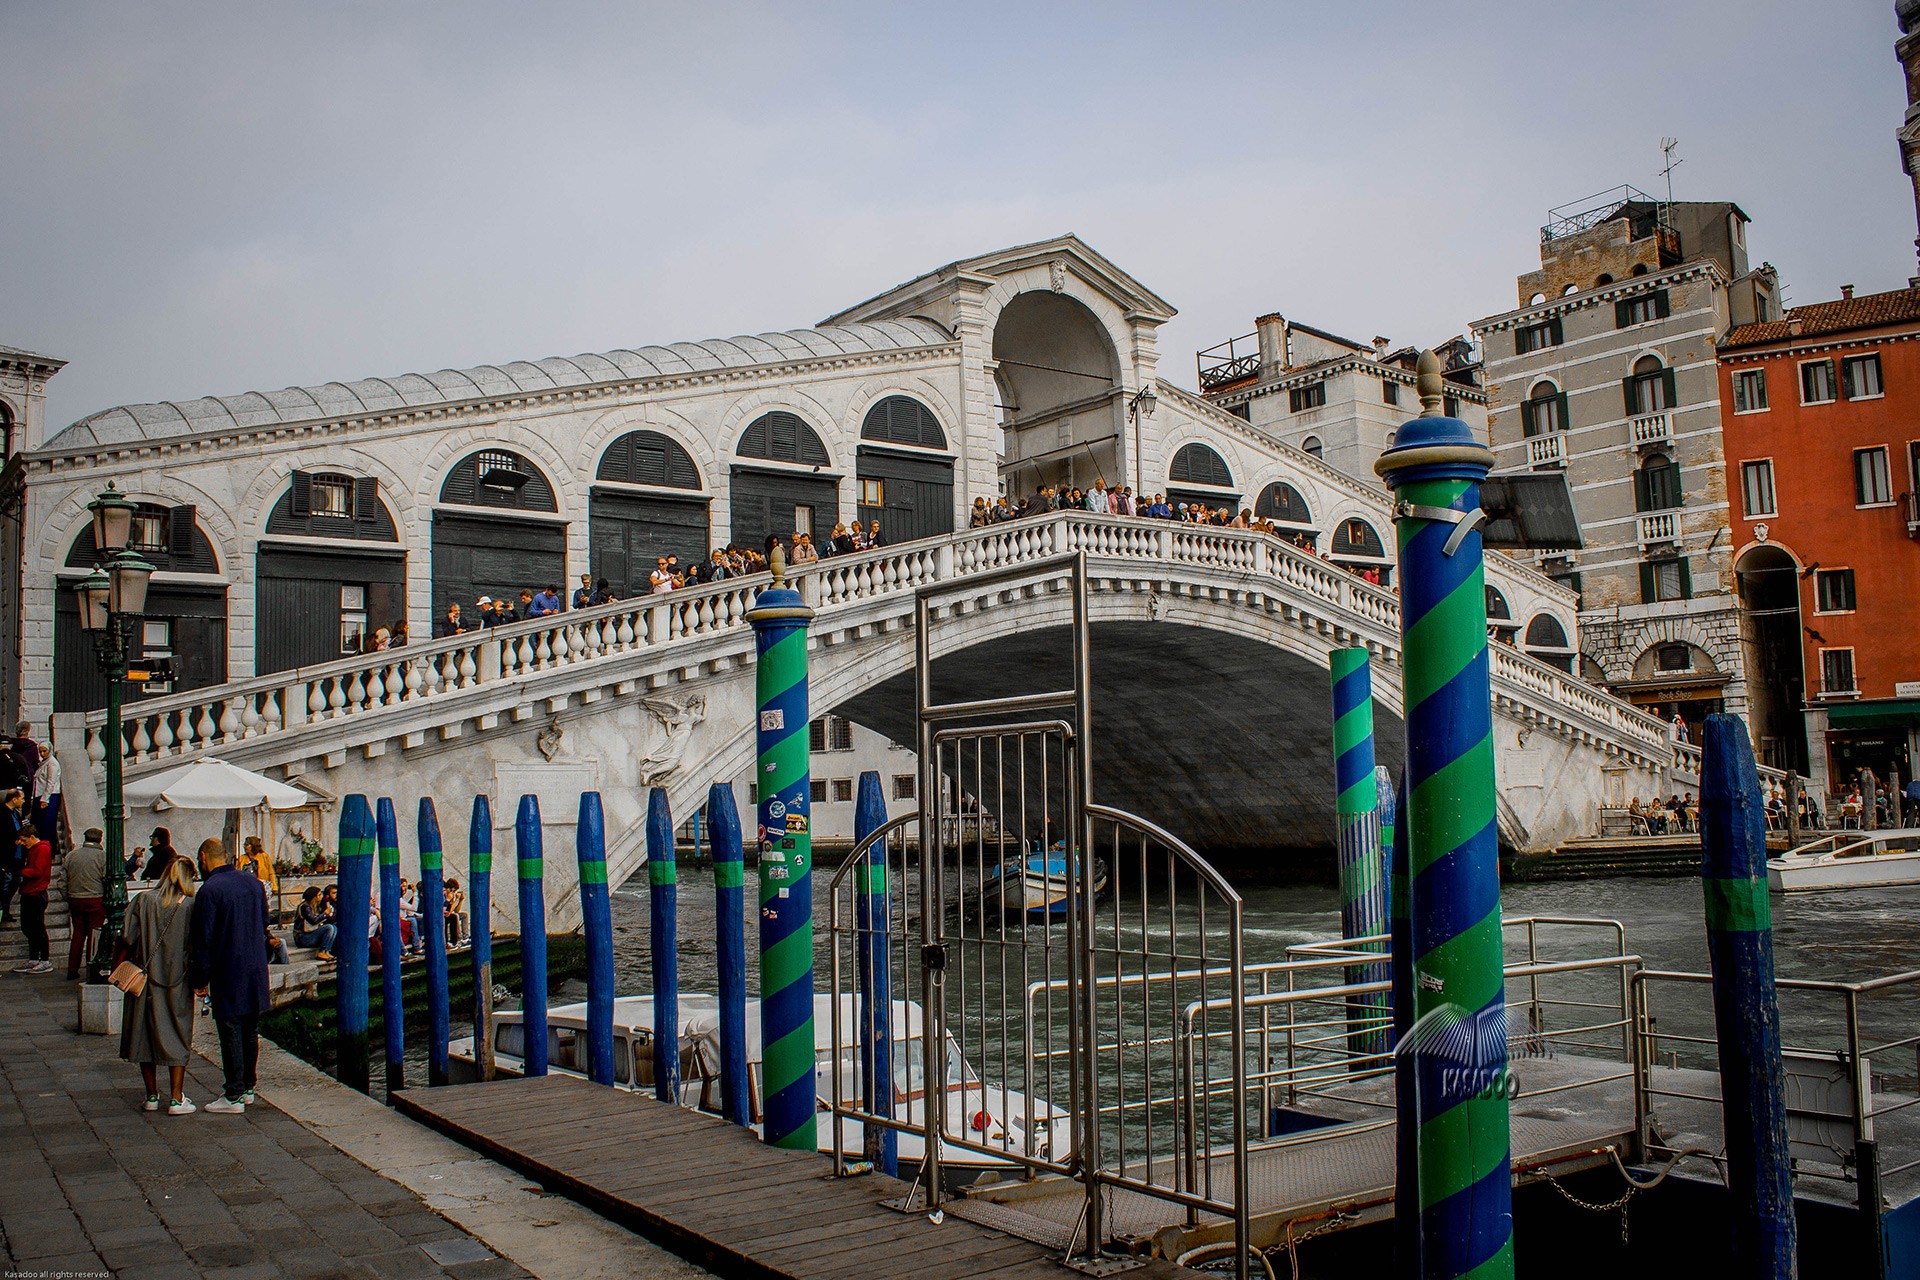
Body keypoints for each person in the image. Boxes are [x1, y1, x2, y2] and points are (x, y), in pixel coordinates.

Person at [189, 838, 272, 1113]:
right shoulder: (254, 883)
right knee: (250, 1029)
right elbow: (265, 921)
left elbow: (204, 939)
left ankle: (233, 1093)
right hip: (255, 967)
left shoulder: (209, 890)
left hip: (228, 967)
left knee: (230, 1029)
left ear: (203, 857)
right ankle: (248, 1087)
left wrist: (199, 978)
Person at [120, 856, 199, 1115]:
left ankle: (151, 1095)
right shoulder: (190, 905)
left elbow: (128, 937)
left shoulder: (143, 900)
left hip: (144, 980)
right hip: (178, 981)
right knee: (178, 1033)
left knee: (145, 1035)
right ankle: (176, 1098)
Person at [64, 827, 107, 980]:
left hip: (75, 898)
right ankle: (91, 968)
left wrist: (68, 896)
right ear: (100, 839)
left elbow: (62, 880)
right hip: (95, 898)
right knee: (93, 935)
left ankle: (72, 968)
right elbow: (106, 878)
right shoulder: (102, 856)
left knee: (78, 934)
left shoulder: (71, 855)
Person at [11, 826, 53, 973]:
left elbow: (37, 871)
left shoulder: (41, 849)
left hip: (36, 893)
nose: (23, 843)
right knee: (28, 927)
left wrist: (19, 870)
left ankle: (45, 960)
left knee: (37, 927)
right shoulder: (34, 849)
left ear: (31, 837)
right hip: (30, 892)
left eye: (24, 840)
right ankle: (34, 958)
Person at [30, 737, 59, 847]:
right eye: (40, 751)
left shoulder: (52, 764)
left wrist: (45, 799)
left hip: (49, 796)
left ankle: (48, 849)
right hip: (40, 795)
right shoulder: (44, 763)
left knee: (47, 825)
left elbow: (51, 782)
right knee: (39, 824)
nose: (42, 753)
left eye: (44, 751)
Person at [293, 886, 336, 960]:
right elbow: (313, 921)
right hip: (302, 937)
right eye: (319, 895)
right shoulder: (305, 907)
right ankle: (322, 951)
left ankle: (327, 951)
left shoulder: (315, 906)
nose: (321, 897)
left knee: (334, 927)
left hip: (310, 934)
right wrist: (325, 913)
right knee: (329, 927)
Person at [444, 877, 466, 947]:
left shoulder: (450, 895)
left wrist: (460, 900)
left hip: (449, 913)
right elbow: (448, 910)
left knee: (464, 915)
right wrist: (455, 899)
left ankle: (465, 936)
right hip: (445, 914)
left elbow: (456, 910)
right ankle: (457, 939)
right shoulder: (445, 896)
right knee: (454, 916)